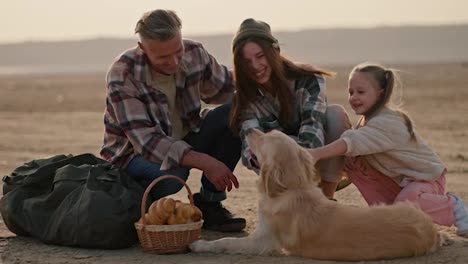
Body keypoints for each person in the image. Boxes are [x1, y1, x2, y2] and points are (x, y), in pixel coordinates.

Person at [100, 9, 246, 232]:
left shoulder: (194, 52)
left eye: (178, 51)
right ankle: (139, 208)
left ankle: (210, 203)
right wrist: (207, 162)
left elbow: (226, 86)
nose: (175, 61)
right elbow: (148, 142)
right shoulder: (123, 74)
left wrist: (275, 76)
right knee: (173, 175)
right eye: (163, 57)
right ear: (142, 49)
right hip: (133, 156)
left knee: (237, 111)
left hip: (187, 136)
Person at [307, 62, 468, 237]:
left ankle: (453, 206)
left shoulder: (389, 121)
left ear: (380, 93)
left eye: (361, 92)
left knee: (407, 203)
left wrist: (315, 153)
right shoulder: (367, 121)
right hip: (398, 181)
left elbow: (353, 141)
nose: (353, 97)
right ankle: (387, 215)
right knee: (353, 162)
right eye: (350, 92)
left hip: (425, 180)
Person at [229, 18, 351, 199]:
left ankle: (327, 197)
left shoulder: (309, 79)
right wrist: (262, 155)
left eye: (260, 56)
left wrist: (285, 151)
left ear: (275, 51)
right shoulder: (244, 95)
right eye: (246, 62)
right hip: (276, 171)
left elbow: (313, 131)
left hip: (313, 159)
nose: (255, 66)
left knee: (336, 115)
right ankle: (286, 200)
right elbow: (250, 141)